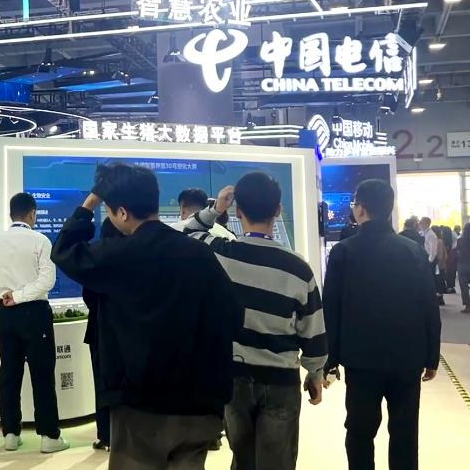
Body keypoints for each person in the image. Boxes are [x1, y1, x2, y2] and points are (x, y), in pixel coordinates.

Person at [52, 163, 242, 470]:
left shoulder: (117, 256)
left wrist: (90, 202)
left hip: (139, 405)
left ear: (122, 213)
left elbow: (63, 251)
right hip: (199, 405)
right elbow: (233, 316)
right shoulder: (198, 254)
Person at [184, 173, 327, 470]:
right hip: (280, 379)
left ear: (238, 211)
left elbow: (188, 232)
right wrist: (315, 373)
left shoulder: (220, 254)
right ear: (278, 210)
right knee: (277, 462)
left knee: (243, 457)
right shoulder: (298, 268)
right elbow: (312, 330)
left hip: (234, 376)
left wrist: (216, 208)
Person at [323, 180, 441, 470]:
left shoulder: (343, 252)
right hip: (407, 358)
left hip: (360, 360)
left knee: (359, 432)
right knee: (405, 432)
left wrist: (330, 359)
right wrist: (431, 357)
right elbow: (429, 306)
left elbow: (332, 309)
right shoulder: (413, 251)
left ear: (360, 209)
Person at [0, 192, 70, 454]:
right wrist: (21, 296)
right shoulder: (40, 240)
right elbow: (47, 281)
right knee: (42, 374)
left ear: (11, 214)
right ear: (32, 213)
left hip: (6, 314)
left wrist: (10, 295)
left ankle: (11, 433)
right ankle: (49, 436)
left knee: (9, 374)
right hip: (34, 313)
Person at [82, 218, 121, 453]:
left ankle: (105, 435)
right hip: (126, 329)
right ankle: (125, 434)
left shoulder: (95, 258)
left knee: (101, 382)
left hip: (98, 327)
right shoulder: (132, 258)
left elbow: (88, 295)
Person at [458, 224, 470, 314]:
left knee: (464, 286)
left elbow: (456, 251)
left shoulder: (460, 240)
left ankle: (468, 306)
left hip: (462, 264)